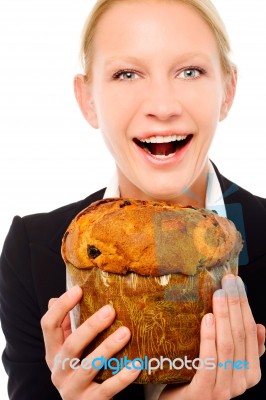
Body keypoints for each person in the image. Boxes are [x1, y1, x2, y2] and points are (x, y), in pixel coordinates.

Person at [0, 0, 265, 399]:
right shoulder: (32, 253)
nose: (162, 107)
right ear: (87, 99)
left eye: (190, 71)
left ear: (228, 91)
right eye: (127, 74)